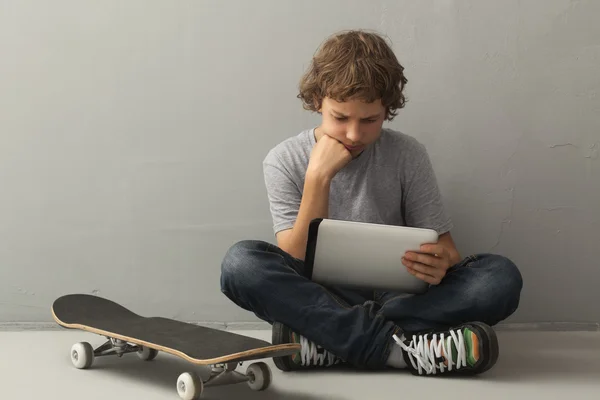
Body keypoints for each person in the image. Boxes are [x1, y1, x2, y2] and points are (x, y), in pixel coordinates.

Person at [220, 30, 523, 376]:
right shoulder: (284, 159)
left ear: (387, 110)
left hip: (401, 296)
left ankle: (330, 342)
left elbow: (447, 251)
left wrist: (440, 264)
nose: (353, 134)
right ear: (318, 101)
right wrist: (318, 177)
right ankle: (403, 350)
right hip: (324, 295)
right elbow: (296, 260)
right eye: (340, 117)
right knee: (240, 264)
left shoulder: (408, 154)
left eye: (369, 120)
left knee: (499, 278)